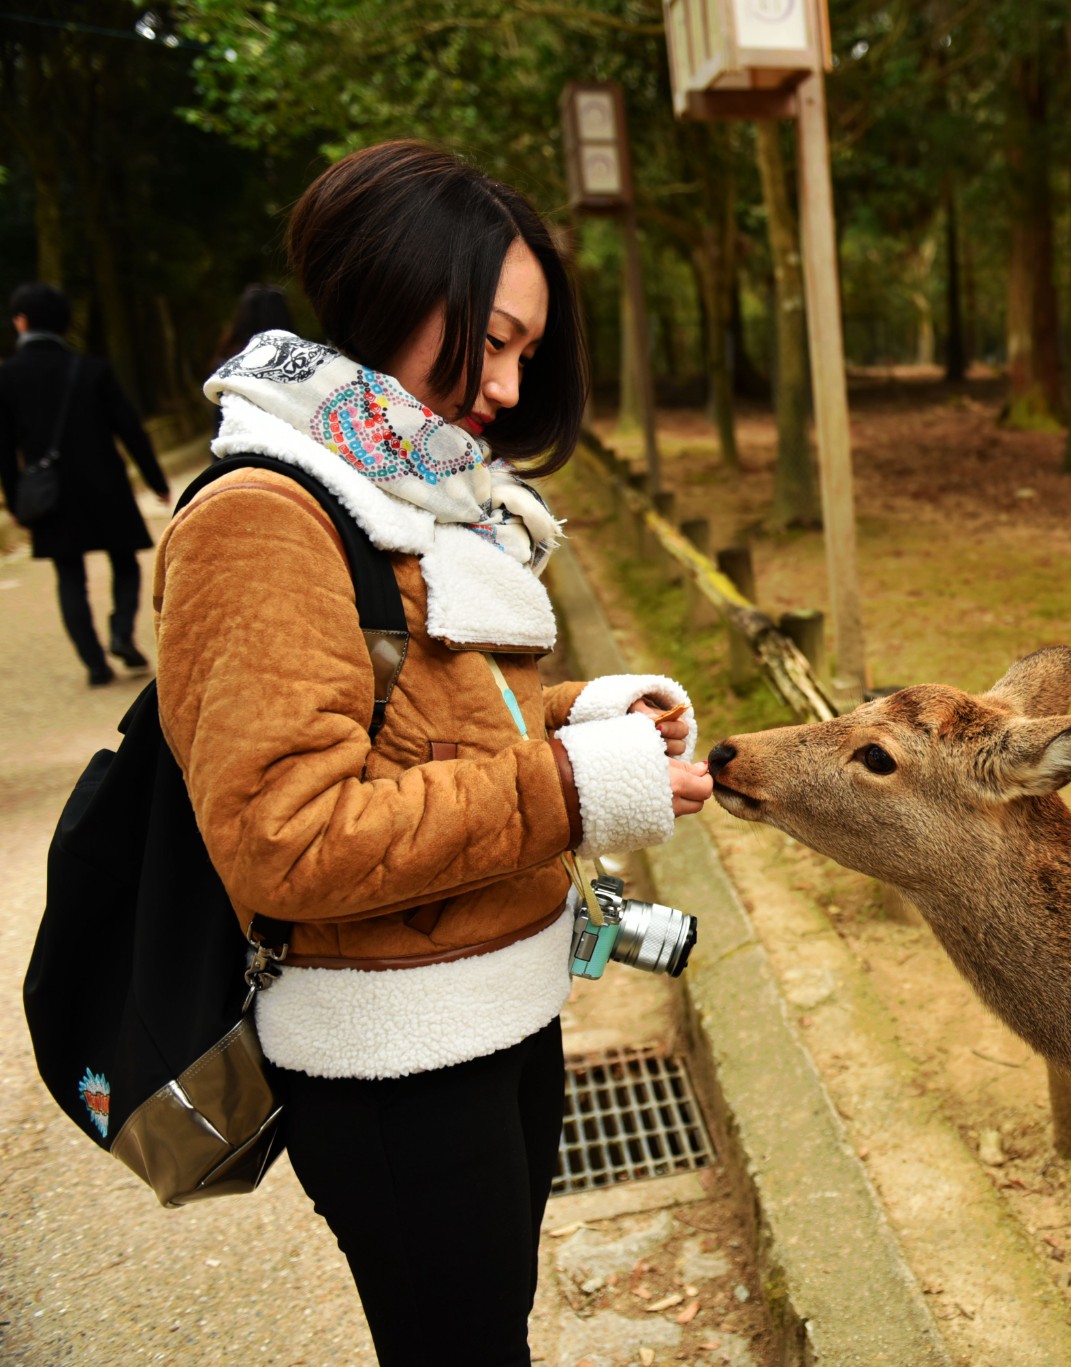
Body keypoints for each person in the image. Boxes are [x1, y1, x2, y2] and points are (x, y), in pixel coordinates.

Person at [154, 141, 714, 1365]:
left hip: (500, 1006)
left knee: (487, 1326)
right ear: (397, 287)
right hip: (396, 1062)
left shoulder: (413, 485)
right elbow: (285, 836)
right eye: (494, 340)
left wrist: (586, 717)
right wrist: (577, 785)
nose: (509, 386)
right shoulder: (264, 514)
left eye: (525, 350)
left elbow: (432, 717)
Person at [0, 282, 171, 685]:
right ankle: (121, 632)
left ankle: (95, 664)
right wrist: (155, 479)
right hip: (105, 486)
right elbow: (130, 429)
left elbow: (4, 449)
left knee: (69, 575)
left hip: (51, 493)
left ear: (21, 322)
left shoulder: (7, 376)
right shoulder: (92, 369)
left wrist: (15, 501)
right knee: (125, 562)